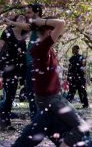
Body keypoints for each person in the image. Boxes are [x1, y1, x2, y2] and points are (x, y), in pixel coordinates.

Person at [13, 17, 87, 147]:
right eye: (54, 32)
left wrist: (38, 23)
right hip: (50, 99)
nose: (58, 36)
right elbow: (61, 23)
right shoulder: (42, 47)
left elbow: (34, 27)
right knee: (82, 127)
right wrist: (43, 21)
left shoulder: (44, 48)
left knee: (47, 128)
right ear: (48, 33)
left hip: (50, 98)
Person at [5, 4, 43, 120]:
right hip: (29, 64)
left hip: (34, 65)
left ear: (36, 13)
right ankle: (35, 119)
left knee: (33, 95)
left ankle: (36, 120)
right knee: (30, 94)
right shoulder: (37, 25)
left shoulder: (39, 22)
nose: (27, 15)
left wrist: (11, 22)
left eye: (29, 13)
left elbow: (27, 26)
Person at [0, 14, 27, 131]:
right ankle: (4, 121)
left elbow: (23, 56)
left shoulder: (23, 37)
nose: (22, 19)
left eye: (24, 18)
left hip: (16, 69)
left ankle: (5, 120)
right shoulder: (7, 32)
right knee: (7, 94)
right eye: (20, 18)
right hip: (5, 67)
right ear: (15, 21)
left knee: (11, 96)